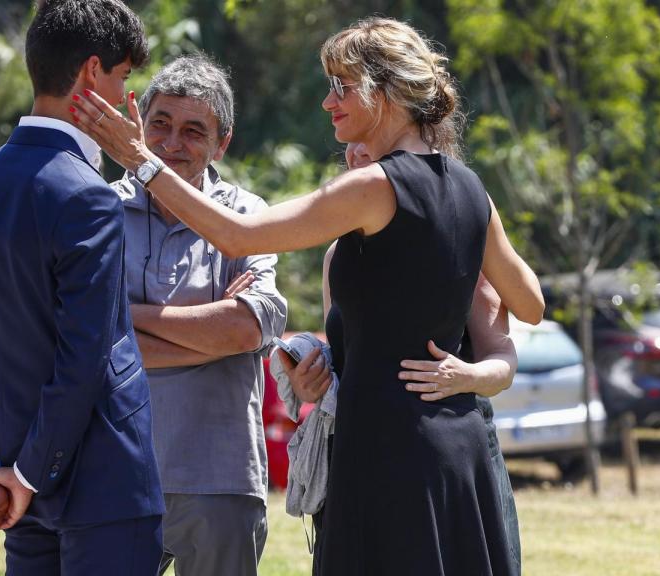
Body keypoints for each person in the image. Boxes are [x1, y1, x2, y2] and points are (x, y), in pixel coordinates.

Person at [73, 15, 544, 575]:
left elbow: (238, 234)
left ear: (386, 91)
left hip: (386, 450)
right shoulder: (470, 188)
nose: (328, 102)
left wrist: (141, 162)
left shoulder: (374, 186)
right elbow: (532, 303)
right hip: (459, 451)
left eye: (342, 86)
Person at [0, 1, 164, 573]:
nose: (123, 99)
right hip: (102, 487)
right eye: (122, 78)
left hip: (21, 489)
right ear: (92, 73)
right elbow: (84, 355)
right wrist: (27, 473)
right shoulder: (88, 196)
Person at [282, 142, 524, 574]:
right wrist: (310, 383)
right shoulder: (337, 256)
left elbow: (504, 358)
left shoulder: (454, 235)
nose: (355, 153)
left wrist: (467, 375)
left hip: (443, 457)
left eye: (368, 145)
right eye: (348, 148)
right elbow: (348, 362)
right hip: (361, 454)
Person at [112, 55, 287, 575]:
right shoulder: (98, 209)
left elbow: (245, 328)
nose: (170, 143)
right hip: (115, 471)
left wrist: (125, 313)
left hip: (221, 472)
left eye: (194, 131)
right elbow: (79, 339)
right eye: (160, 124)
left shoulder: (247, 216)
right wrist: (206, 331)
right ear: (139, 124)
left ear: (222, 143)